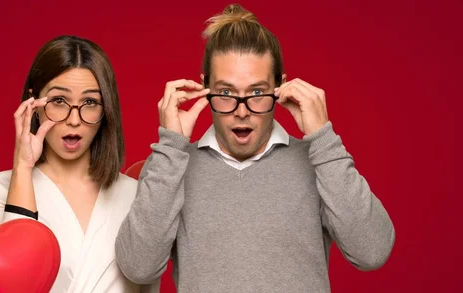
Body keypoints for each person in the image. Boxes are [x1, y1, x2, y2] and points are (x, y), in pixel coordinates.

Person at [115, 4, 395, 292]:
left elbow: (371, 251)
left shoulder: (316, 162)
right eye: (225, 92)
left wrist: (323, 138)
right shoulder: (171, 165)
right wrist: (171, 148)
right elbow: (139, 267)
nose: (242, 111)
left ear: (281, 87)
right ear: (204, 87)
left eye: (257, 92)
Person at [0, 35, 160, 293]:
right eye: (59, 101)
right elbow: (12, 278)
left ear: (106, 110)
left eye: (90, 102)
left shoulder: (136, 194)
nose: (74, 119)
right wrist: (23, 166)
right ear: (33, 104)